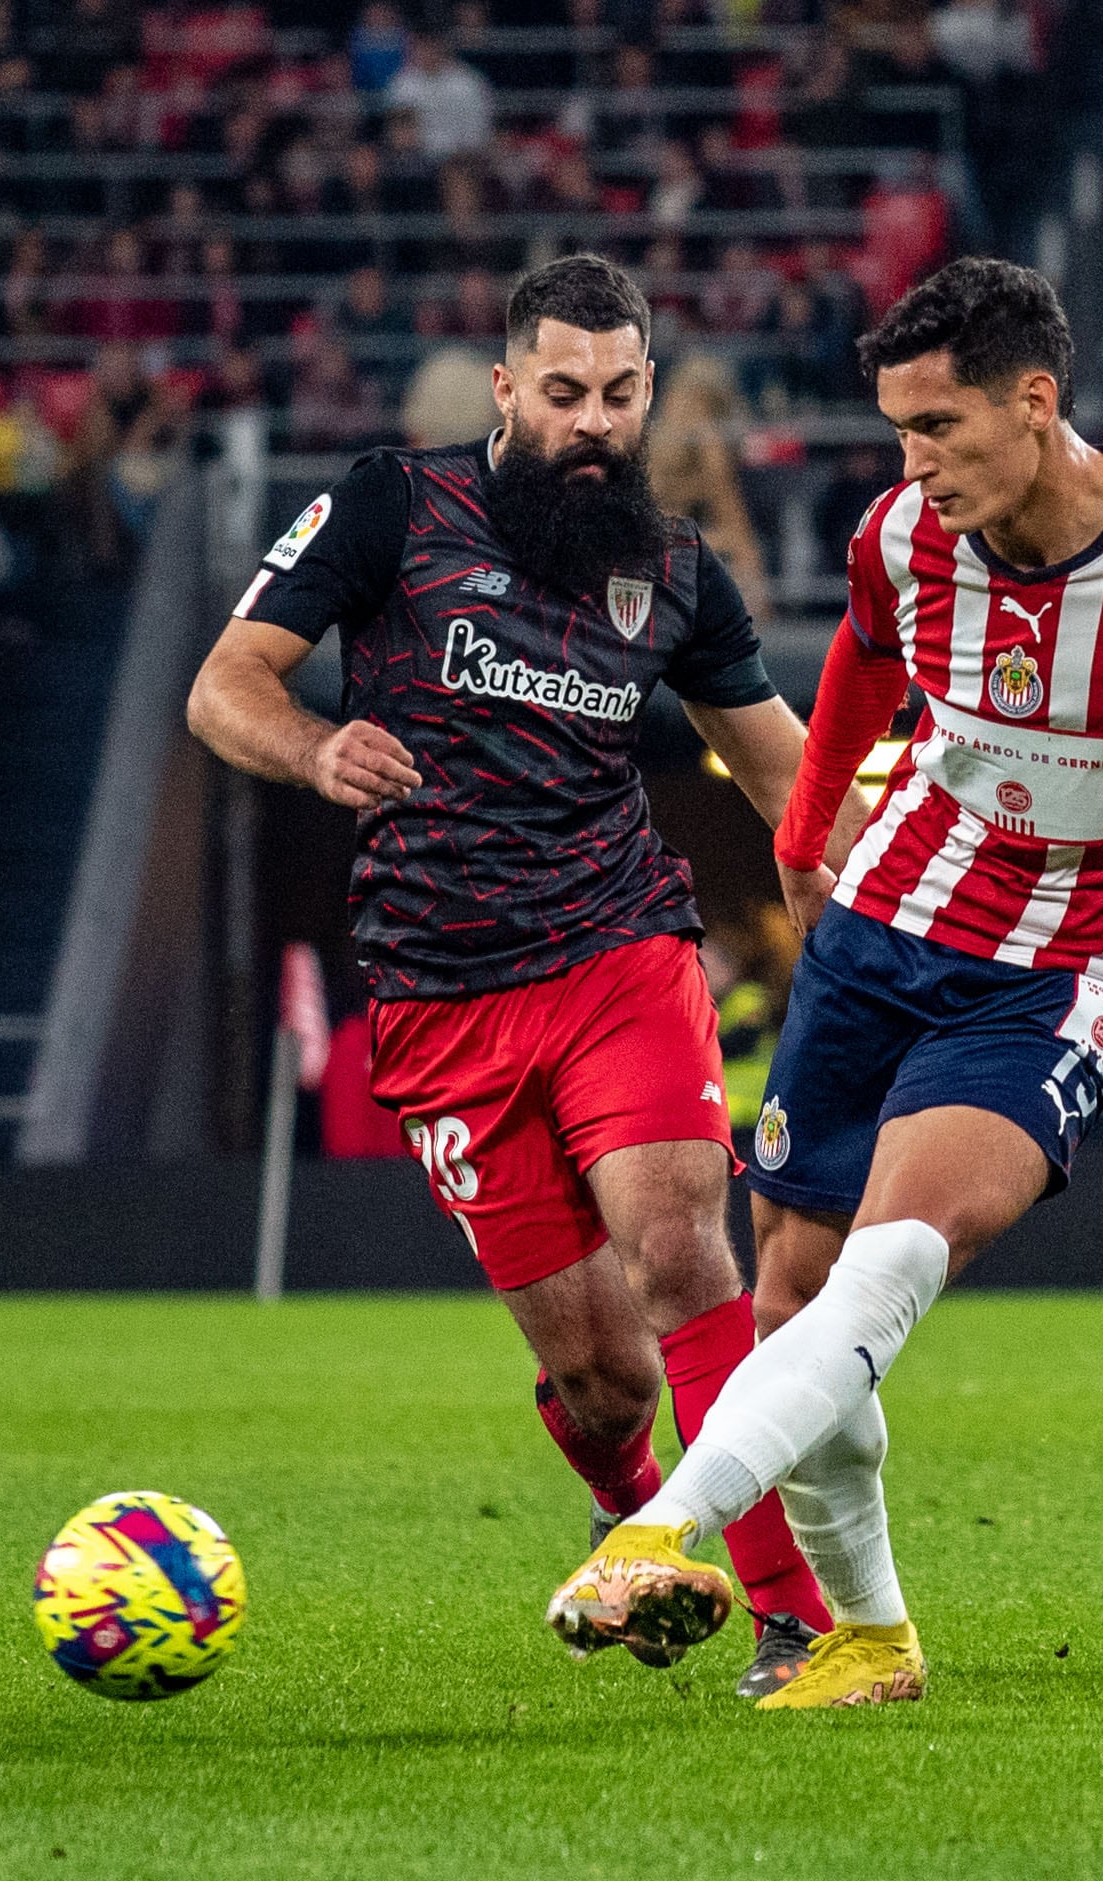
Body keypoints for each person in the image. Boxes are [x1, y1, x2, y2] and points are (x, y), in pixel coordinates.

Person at [547, 260, 1103, 1707]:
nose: (911, 464)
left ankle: (662, 1527)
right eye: (897, 432)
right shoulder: (900, 538)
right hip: (880, 930)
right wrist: (805, 841)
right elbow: (861, 660)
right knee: (792, 1303)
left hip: (1062, 970)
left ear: (1033, 404)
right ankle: (868, 1639)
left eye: (935, 427)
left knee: (898, 1253)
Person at [185, 256, 849, 1701]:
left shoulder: (674, 569)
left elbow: (775, 761)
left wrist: (854, 880)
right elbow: (223, 681)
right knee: (603, 1376)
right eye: (561, 392)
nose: (591, 421)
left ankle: (796, 1621)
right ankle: (626, 1504)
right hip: (438, 992)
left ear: (649, 391)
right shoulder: (388, 507)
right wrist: (311, 747)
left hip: (619, 948)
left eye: (618, 393)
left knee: (682, 1251)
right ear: (505, 388)